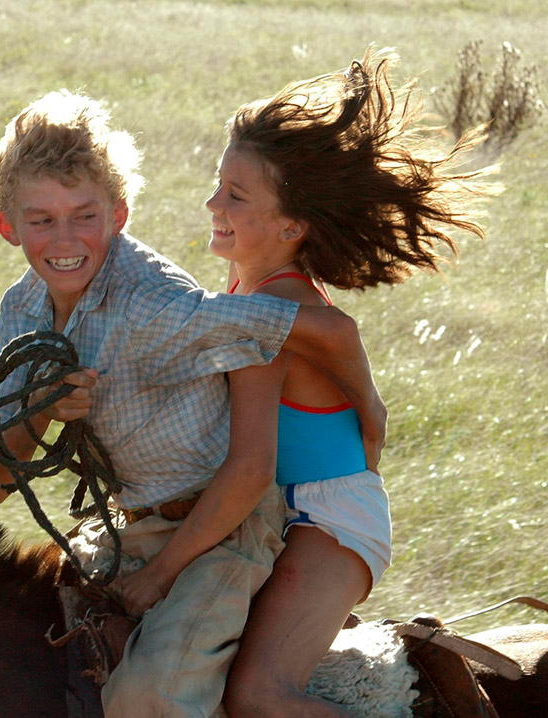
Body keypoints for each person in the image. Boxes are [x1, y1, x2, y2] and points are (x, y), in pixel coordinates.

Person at [0, 89, 387, 718]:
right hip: (134, 522)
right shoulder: (21, 310)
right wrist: (41, 409)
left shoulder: (159, 303)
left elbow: (324, 336)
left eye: (84, 215)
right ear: (8, 225)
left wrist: (370, 412)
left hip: (230, 526)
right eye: (41, 219)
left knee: (160, 698)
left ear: (118, 214)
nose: (64, 238)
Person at [211, 49, 499, 718]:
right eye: (217, 183)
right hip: (284, 511)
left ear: (291, 226)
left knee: (256, 695)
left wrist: (368, 399)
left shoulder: (280, 304)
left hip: (329, 520)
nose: (212, 203)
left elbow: (338, 334)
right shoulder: (248, 287)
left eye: (235, 195)